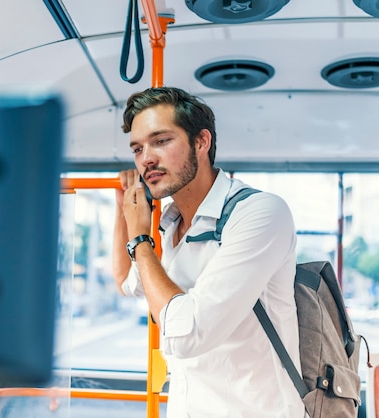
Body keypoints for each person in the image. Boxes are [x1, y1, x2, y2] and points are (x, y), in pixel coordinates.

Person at [112, 87, 305, 417]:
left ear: (201, 142)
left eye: (161, 141)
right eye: (138, 148)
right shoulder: (169, 225)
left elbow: (190, 334)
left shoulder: (259, 213)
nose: (146, 158)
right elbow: (125, 282)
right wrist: (123, 210)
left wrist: (141, 239)